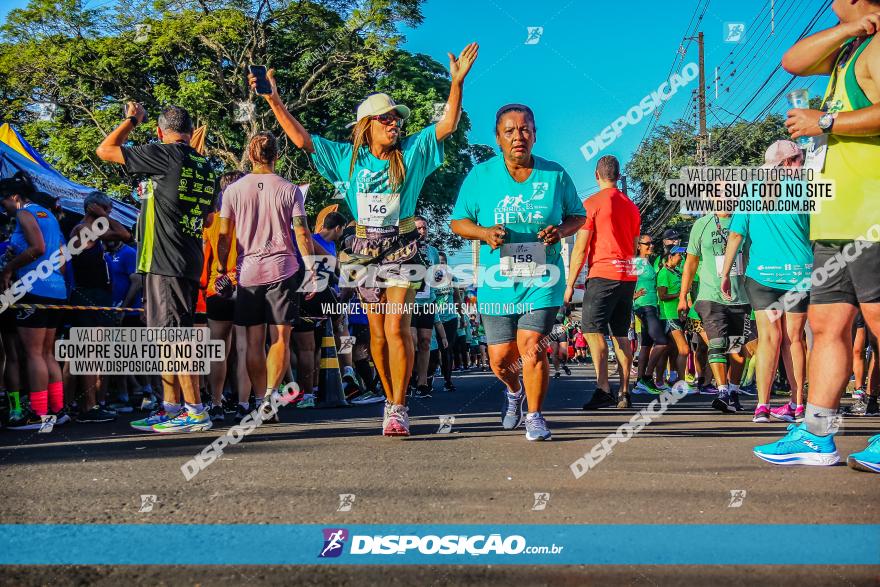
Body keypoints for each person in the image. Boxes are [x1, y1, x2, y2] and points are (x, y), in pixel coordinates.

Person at [253, 43, 478, 436]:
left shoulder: (414, 151)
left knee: (396, 328)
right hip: (361, 250)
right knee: (376, 333)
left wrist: (456, 83)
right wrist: (274, 101)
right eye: (386, 118)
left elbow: (446, 125)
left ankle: (399, 404)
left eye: (396, 119)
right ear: (367, 125)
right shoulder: (347, 157)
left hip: (402, 243)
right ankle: (390, 399)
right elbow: (304, 139)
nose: (395, 124)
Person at [756, 1, 880, 471]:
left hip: (872, 212)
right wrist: (852, 27)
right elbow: (791, 61)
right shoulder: (852, 45)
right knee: (827, 327)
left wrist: (823, 121)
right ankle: (817, 432)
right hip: (833, 218)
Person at [450, 103, 586, 441]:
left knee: (533, 347)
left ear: (535, 134)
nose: (518, 136)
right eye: (509, 131)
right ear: (498, 138)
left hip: (543, 277)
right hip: (497, 282)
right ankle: (513, 392)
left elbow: (578, 216)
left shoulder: (555, 175)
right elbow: (458, 221)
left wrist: (560, 231)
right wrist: (483, 233)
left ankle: (535, 415)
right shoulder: (481, 176)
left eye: (524, 129)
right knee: (500, 360)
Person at [97, 103, 217, 433]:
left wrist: (132, 119)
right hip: (184, 259)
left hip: (166, 260)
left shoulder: (166, 154)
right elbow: (207, 217)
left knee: (174, 339)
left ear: (161, 132)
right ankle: (172, 408)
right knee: (166, 337)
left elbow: (105, 149)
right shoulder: (205, 165)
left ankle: (195, 411)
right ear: (191, 132)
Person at [216, 132, 312, 423]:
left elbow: (223, 236)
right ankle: (270, 394)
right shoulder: (290, 189)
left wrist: (222, 268)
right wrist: (311, 269)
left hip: (248, 273)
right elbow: (302, 232)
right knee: (281, 337)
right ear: (277, 156)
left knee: (253, 340)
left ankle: (260, 400)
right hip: (283, 269)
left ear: (249, 154)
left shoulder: (232, 191)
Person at [720, 140, 811, 424]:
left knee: (770, 339)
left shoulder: (751, 191)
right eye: (798, 159)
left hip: (763, 276)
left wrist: (725, 274)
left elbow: (736, 236)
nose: (802, 163)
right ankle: (797, 405)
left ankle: (763, 406)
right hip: (800, 273)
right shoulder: (806, 191)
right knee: (795, 339)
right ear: (785, 163)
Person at [565, 155, 641, 409]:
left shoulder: (592, 204)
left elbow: (581, 250)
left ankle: (603, 387)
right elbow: (635, 247)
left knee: (591, 330)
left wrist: (569, 286)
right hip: (627, 276)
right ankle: (625, 392)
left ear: (596, 176)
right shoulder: (631, 206)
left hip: (603, 275)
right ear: (618, 177)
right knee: (620, 334)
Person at [0, 173, 68, 430]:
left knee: (33, 354)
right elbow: (59, 256)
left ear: (15, 198)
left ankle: (39, 416)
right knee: (48, 354)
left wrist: (8, 269)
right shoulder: (48, 214)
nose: (3, 208)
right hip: (56, 289)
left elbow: (37, 248)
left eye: (3, 202)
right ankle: (57, 410)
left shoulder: (24, 213)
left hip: (34, 289)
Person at [678, 208, 749, 415]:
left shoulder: (744, 221)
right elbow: (691, 263)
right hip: (710, 296)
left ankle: (733, 392)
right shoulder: (701, 225)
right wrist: (683, 295)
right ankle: (722, 391)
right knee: (717, 344)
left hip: (740, 297)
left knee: (736, 350)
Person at [69, 193, 131, 423]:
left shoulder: (96, 228)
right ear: (94, 207)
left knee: (99, 352)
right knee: (88, 352)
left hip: (99, 295)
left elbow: (125, 235)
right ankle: (87, 406)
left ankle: (95, 403)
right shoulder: (82, 229)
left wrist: (104, 214)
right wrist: (102, 215)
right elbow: (123, 234)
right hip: (87, 294)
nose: (110, 211)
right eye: (107, 207)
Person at [631, 234, 670, 394]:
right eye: (647, 243)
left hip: (652, 305)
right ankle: (647, 377)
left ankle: (640, 382)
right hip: (644, 306)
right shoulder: (637, 263)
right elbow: (625, 283)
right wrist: (633, 296)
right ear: (639, 245)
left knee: (646, 345)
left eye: (653, 243)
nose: (651, 245)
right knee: (661, 342)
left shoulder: (648, 262)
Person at [655, 246, 694, 393]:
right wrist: (680, 295)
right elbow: (662, 296)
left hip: (677, 315)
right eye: (679, 255)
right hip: (669, 315)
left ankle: (665, 380)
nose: (682, 258)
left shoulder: (676, 272)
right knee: (684, 349)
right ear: (670, 256)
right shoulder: (664, 273)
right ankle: (680, 383)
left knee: (671, 350)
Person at [410, 216, 441, 398]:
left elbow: (437, 277)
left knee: (425, 341)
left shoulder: (433, 251)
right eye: (419, 229)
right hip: (409, 302)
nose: (422, 232)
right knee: (412, 340)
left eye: (424, 228)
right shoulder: (404, 249)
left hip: (427, 301)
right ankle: (408, 376)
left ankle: (422, 382)